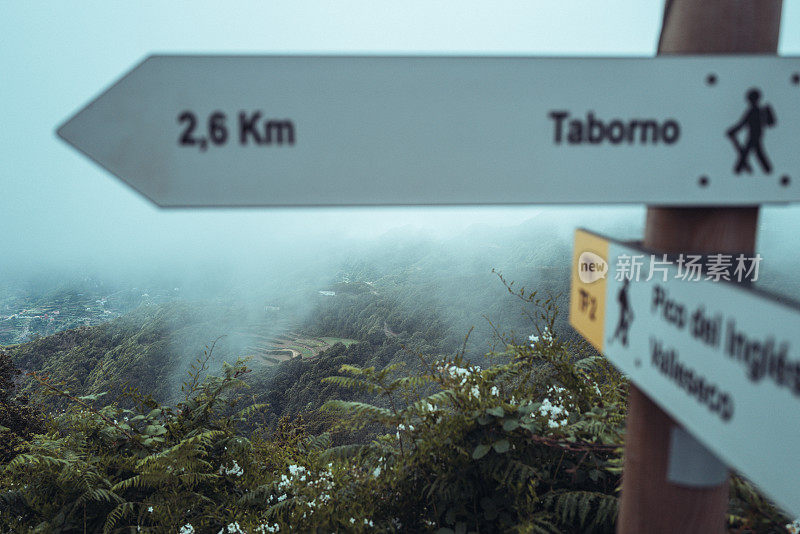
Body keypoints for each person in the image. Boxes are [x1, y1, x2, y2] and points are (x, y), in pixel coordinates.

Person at [726, 88, 775, 174]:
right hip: (756, 135)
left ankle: (738, 171)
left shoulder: (755, 111)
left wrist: (733, 130)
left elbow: (742, 123)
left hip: (754, 135)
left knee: (747, 153)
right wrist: (733, 130)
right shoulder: (756, 111)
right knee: (756, 152)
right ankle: (767, 170)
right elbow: (743, 123)